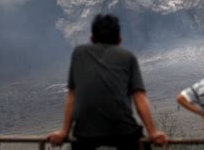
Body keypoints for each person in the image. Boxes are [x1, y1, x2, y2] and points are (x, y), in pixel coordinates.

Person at [48, 14, 167, 150]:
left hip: (85, 132)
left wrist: (64, 132)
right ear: (119, 40)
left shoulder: (78, 53)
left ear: (92, 38)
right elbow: (139, 97)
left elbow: (72, 95)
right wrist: (153, 132)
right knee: (140, 143)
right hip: (123, 130)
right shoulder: (128, 57)